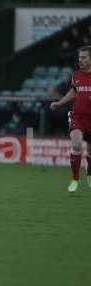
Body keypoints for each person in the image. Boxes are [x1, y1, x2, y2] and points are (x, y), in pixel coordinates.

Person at [50, 46, 91, 192]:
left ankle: (90, 174)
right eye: (80, 57)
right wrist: (60, 103)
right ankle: (74, 179)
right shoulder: (76, 75)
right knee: (77, 145)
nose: (81, 60)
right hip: (78, 117)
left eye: (84, 57)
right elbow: (74, 91)